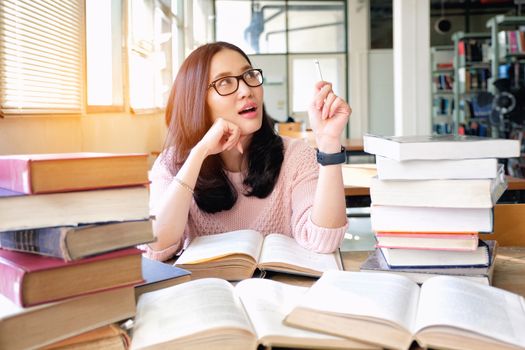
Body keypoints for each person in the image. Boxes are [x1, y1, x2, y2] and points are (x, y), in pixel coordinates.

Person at [145, 41, 351, 261]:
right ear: (197, 100)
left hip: (281, 292)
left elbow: (323, 240)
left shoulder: (295, 155)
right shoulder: (171, 163)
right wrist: (200, 152)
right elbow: (157, 248)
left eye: (249, 76)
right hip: (209, 292)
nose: (246, 91)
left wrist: (328, 142)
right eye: (224, 82)